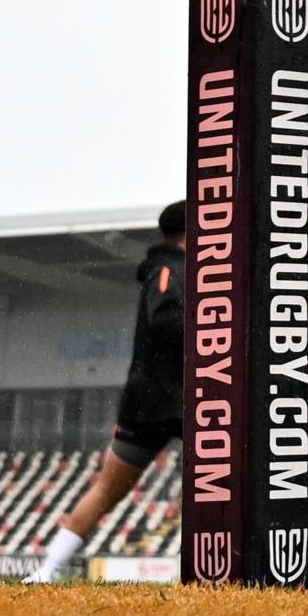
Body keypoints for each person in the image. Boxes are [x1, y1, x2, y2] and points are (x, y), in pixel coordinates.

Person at [27, 201, 195, 584]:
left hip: (152, 399)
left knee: (107, 490)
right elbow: (165, 319)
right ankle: (47, 571)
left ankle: (48, 570)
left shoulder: (170, 267)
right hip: (170, 399)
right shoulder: (172, 268)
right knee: (114, 489)